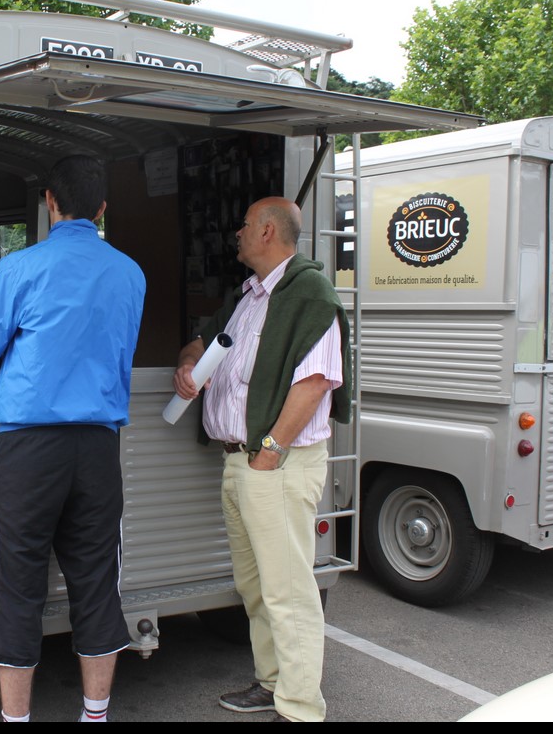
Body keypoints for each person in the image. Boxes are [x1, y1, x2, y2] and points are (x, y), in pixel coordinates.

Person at [0, 156, 146, 723]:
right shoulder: (130, 273)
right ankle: (95, 716)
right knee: (96, 582)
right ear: (104, 209)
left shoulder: (20, 268)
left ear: (49, 201)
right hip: (97, 448)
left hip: (30, 448)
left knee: (16, 586)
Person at [171, 197, 351, 723]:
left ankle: (299, 708)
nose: (238, 234)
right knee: (256, 586)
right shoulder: (248, 295)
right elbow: (200, 343)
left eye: (245, 226)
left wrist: (269, 454)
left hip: (276, 462)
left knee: (287, 588)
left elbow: (317, 381)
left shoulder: (309, 293)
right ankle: (273, 682)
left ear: (268, 231)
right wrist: (187, 365)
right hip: (243, 462)